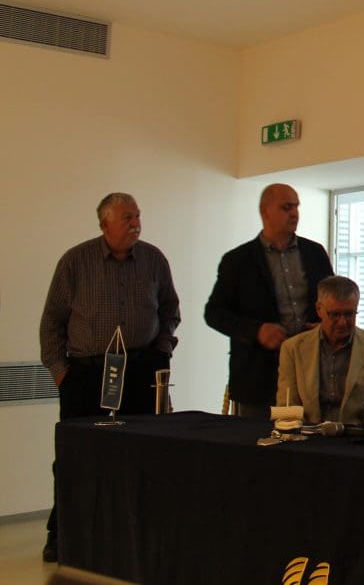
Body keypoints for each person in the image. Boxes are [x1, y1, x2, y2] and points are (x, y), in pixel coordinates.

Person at [38, 192, 181, 563]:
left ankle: (138, 533)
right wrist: (61, 374)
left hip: (140, 370)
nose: (136, 223)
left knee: (142, 452)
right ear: (104, 224)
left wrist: (162, 350)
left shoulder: (153, 259)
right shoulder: (75, 261)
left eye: (137, 216)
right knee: (76, 456)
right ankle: (62, 534)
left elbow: (170, 310)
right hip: (87, 374)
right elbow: (51, 322)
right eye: (127, 217)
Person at [204, 183, 333, 418]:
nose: (294, 213)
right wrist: (257, 331)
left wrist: (324, 323)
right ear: (265, 211)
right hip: (258, 376)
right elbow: (214, 313)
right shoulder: (238, 260)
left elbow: (331, 299)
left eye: (296, 207)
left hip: (311, 372)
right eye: (286, 207)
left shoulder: (315, 253)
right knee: (255, 439)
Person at [276, 276, 364, 425]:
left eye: (349, 314)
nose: (342, 322)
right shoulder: (292, 348)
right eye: (335, 314)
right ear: (319, 309)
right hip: (309, 434)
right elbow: (288, 408)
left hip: (358, 434)